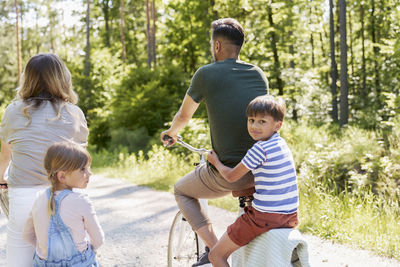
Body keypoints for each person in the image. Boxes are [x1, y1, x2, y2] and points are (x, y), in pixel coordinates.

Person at [161, 18, 269, 266]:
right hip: (263, 170)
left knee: (181, 190)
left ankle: (214, 249)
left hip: (229, 172)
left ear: (217, 46)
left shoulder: (205, 74)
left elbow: (184, 116)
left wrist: (171, 132)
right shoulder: (258, 74)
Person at [0, 53, 89, 266]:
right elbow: (80, 163)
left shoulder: (13, 111)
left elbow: (5, 155)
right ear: (62, 79)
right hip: (62, 197)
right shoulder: (74, 113)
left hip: (23, 195)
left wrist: (1, 178)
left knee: (18, 256)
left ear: (27, 79)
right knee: (67, 256)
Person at [206, 95, 299, 267]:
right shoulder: (281, 144)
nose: (254, 126)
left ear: (277, 125)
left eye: (262, 122)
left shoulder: (260, 149)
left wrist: (215, 161)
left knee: (215, 255)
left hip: (265, 216)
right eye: (251, 120)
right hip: (290, 215)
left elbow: (231, 176)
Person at [23, 141, 104, 266]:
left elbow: (27, 236)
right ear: (62, 176)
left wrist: (46, 252)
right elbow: (98, 240)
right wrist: (87, 252)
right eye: (83, 169)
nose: (89, 173)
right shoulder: (81, 201)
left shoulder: (39, 198)